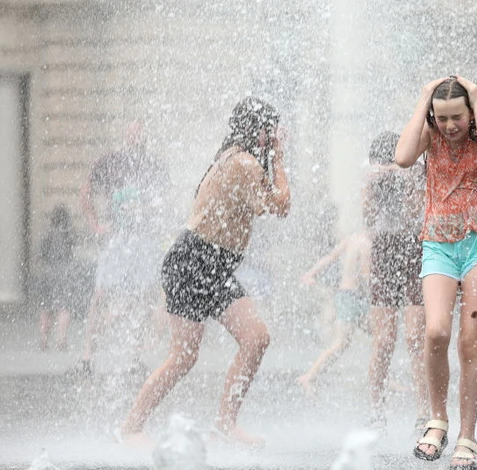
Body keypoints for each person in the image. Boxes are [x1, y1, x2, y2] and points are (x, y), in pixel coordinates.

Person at [119, 97, 291, 449]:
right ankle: (131, 428)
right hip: (193, 260)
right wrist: (280, 158)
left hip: (214, 264)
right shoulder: (242, 162)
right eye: (269, 130)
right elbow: (281, 205)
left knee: (256, 338)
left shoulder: (235, 158)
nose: (273, 136)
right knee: (183, 356)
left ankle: (225, 424)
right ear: (255, 131)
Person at [396, 76, 477, 469]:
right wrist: (423, 97)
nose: (449, 126)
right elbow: (403, 157)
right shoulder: (429, 134)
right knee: (436, 331)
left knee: (469, 340)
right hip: (439, 243)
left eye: (456, 117)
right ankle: (437, 419)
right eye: (441, 118)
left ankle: (468, 436)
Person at [77, 121, 170, 374]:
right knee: (101, 294)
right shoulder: (111, 161)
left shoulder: (155, 165)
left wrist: (154, 219)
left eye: (141, 133)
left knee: (143, 298)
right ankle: (87, 357)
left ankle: (133, 359)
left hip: (146, 241)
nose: (137, 137)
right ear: (126, 136)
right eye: (132, 133)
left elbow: (163, 203)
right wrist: (96, 225)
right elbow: (85, 191)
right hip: (118, 239)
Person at [363, 131, 430, 432]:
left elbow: (416, 210)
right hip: (384, 251)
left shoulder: (415, 171)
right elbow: (367, 218)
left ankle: (424, 411)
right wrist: (373, 181)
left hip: (414, 246)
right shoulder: (372, 178)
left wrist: (406, 177)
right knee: (385, 339)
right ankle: (376, 410)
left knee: (416, 337)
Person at [296, 230, 371, 396]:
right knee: (341, 342)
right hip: (354, 298)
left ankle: (384, 379)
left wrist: (311, 273)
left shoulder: (351, 237)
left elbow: (330, 257)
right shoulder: (366, 245)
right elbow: (366, 276)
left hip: (344, 295)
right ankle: (309, 376)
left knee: (381, 336)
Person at [37, 206, 77, 351]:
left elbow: (40, 257)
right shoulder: (68, 235)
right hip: (64, 274)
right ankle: (61, 339)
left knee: (46, 307)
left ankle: (44, 339)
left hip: (48, 275)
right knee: (64, 307)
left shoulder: (46, 235)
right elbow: (71, 253)